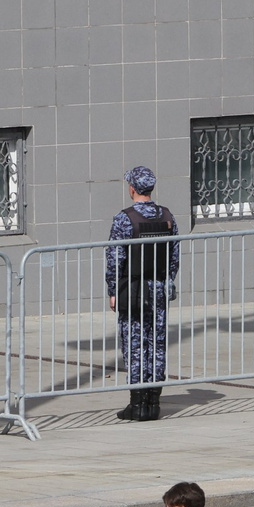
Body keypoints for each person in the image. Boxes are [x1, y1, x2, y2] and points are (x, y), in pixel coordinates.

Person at [106, 166, 181, 422]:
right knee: (156, 344)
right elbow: (174, 257)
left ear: (132, 188)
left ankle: (137, 405)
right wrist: (167, 282)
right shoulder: (168, 216)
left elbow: (115, 257)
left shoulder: (124, 219)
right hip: (158, 287)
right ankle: (153, 404)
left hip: (133, 289)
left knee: (134, 344)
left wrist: (113, 289)